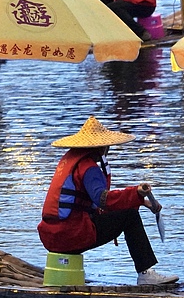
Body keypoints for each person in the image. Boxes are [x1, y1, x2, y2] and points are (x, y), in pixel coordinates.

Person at [37, 116, 177, 286]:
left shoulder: (71, 162)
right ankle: (145, 273)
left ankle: (145, 273)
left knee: (128, 212)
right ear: (101, 147)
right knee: (130, 217)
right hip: (72, 236)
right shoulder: (89, 168)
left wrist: (140, 201)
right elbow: (103, 200)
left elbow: (90, 203)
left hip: (53, 236)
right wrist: (136, 192)